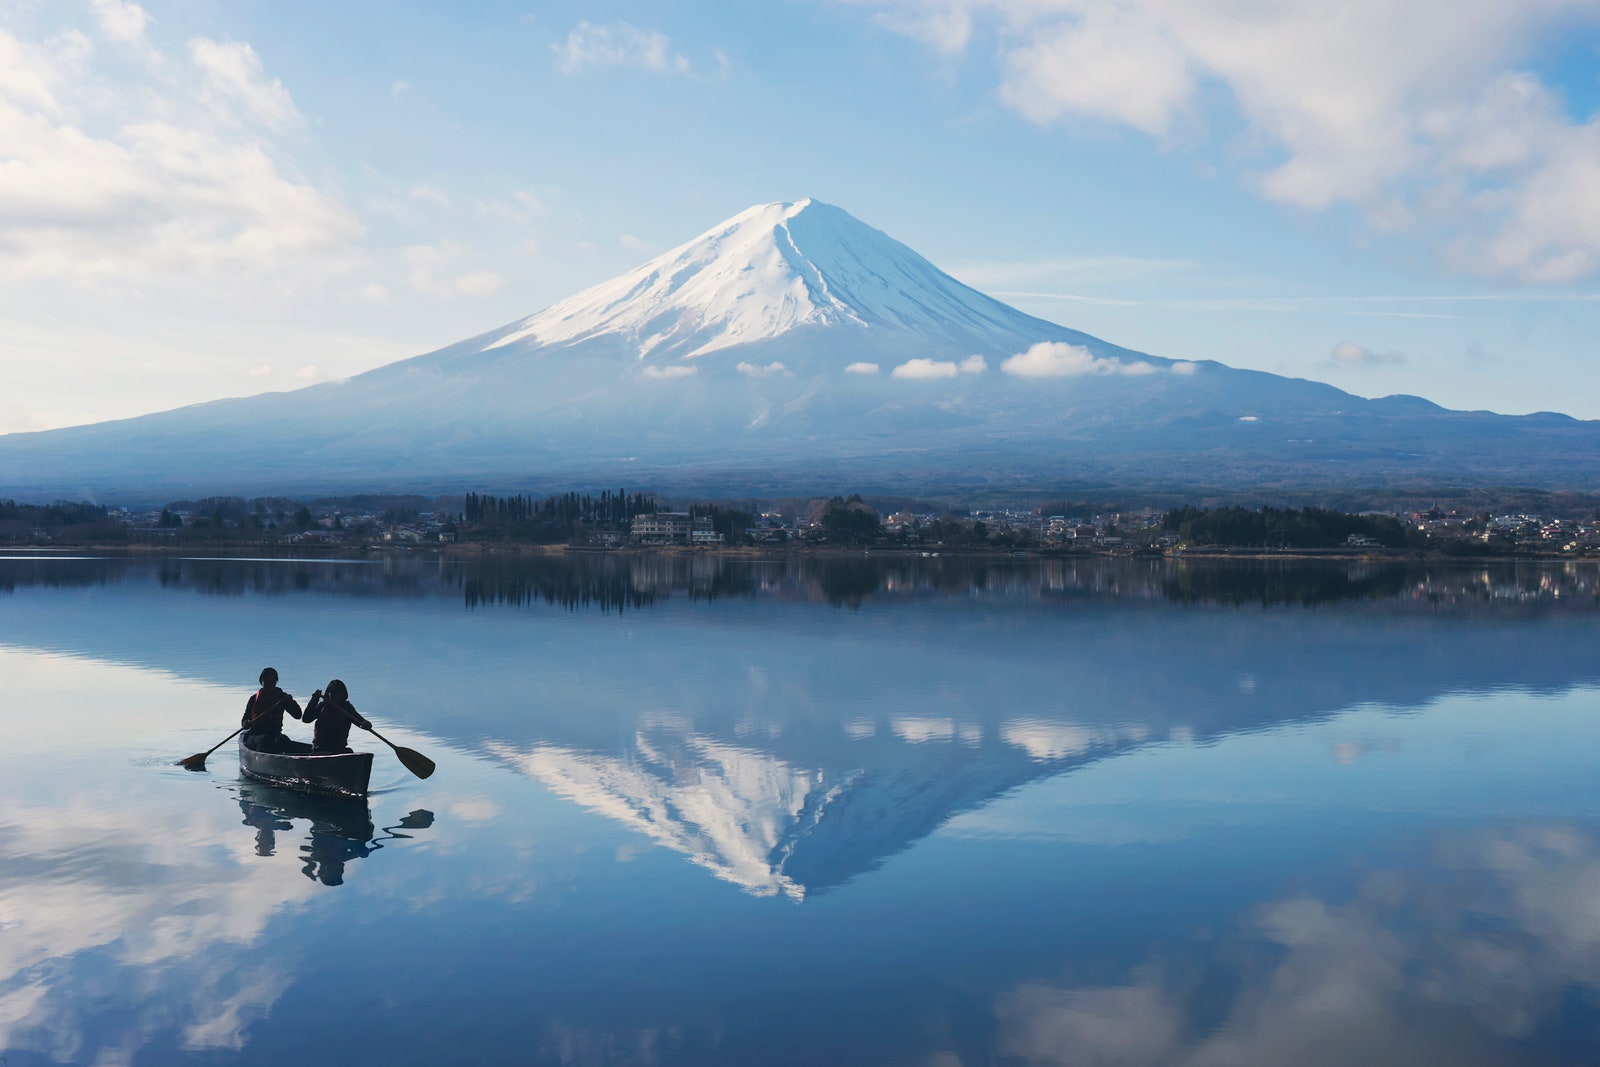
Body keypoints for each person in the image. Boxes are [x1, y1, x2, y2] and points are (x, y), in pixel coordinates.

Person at [302, 679, 372, 754]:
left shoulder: (347, 708)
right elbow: (306, 719)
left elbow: (360, 722)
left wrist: (367, 724)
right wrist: (314, 700)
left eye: (339, 692)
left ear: (343, 694)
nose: (336, 695)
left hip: (339, 748)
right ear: (328, 694)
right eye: (333, 692)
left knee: (349, 752)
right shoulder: (322, 706)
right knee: (325, 753)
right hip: (320, 748)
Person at [242, 667, 302, 751]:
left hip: (274, 734)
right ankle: (262, 763)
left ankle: (286, 761)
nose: (268, 683)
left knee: (283, 740)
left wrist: (291, 702)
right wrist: (246, 723)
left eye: (271, 680)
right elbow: (244, 720)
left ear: (275, 681)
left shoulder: (282, 698)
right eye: (265, 680)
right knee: (264, 740)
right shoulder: (254, 699)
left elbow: (298, 715)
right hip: (255, 735)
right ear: (261, 682)